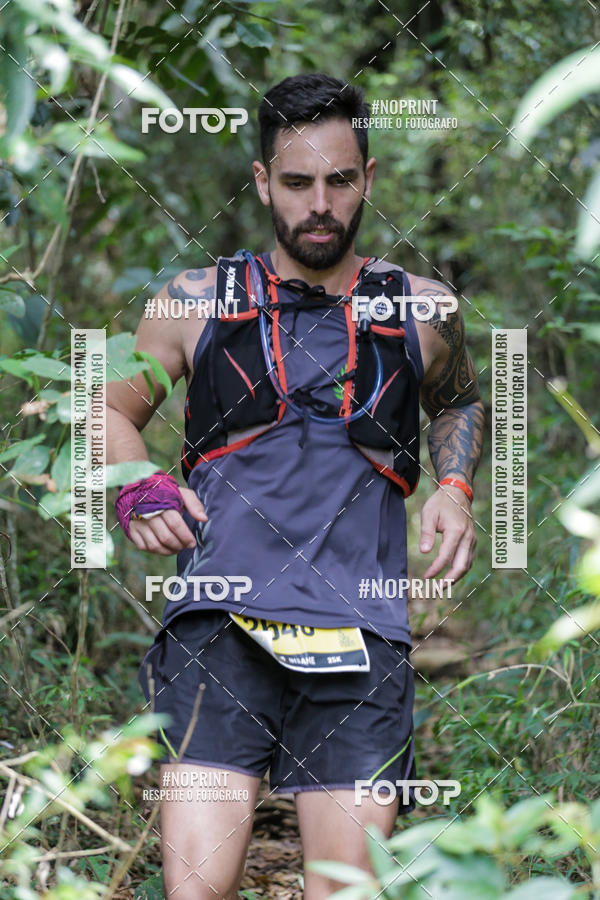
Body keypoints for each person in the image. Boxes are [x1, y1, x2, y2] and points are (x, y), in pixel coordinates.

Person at [106, 73, 484, 900]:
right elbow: (105, 407)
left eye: (340, 182)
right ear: (260, 181)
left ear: (370, 179)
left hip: (363, 637)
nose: (320, 203)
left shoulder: (424, 310)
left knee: (345, 893)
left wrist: (453, 484)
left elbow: (462, 399)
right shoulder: (192, 301)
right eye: (297, 181)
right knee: (196, 891)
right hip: (217, 630)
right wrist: (135, 483)